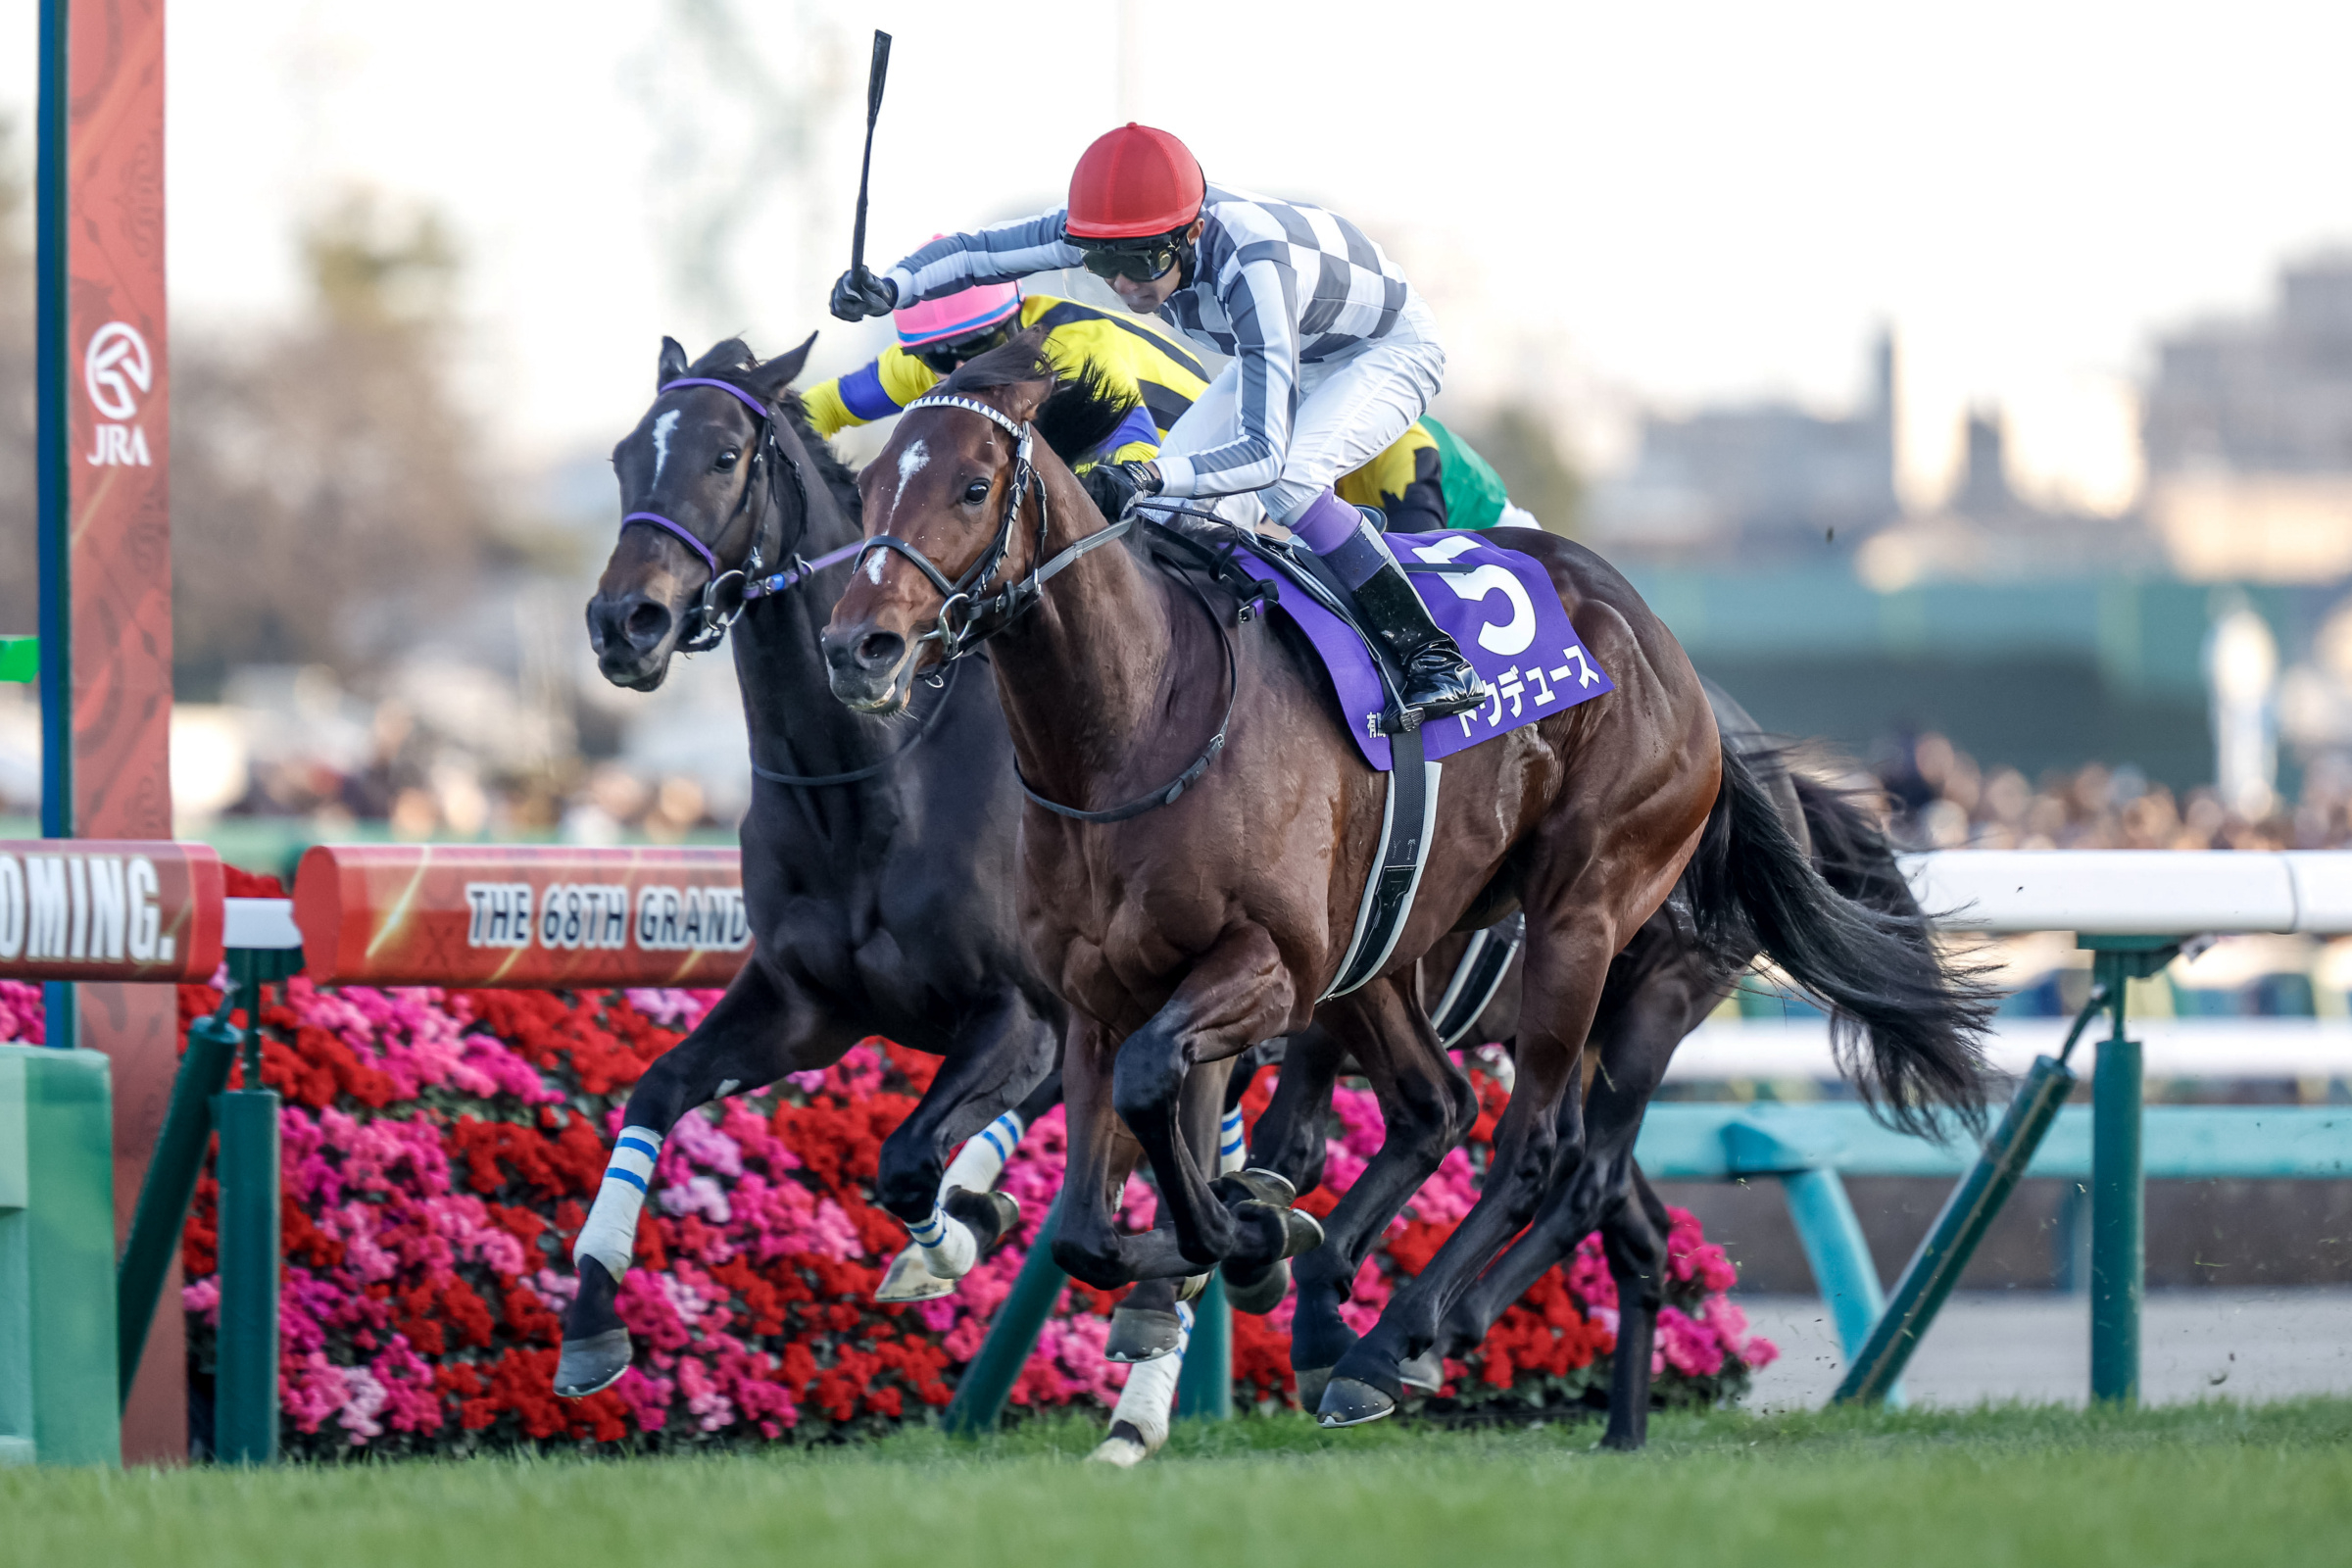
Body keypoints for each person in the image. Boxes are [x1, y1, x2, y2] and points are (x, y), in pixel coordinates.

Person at [831, 122, 1486, 722]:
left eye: (1141, 265)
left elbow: (1262, 454)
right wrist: (892, 287)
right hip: (1295, 346)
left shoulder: (1252, 264)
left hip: (1383, 349)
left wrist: (1148, 472)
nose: (1122, 284)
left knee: (1288, 480)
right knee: (1164, 517)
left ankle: (1431, 655)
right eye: (1101, 264)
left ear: (1191, 233)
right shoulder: (1121, 232)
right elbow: (980, 255)